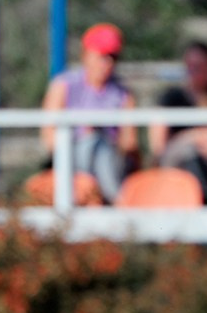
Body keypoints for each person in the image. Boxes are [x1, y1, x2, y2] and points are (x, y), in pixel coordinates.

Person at [40, 23, 137, 203]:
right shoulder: (64, 85)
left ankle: (107, 198)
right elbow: (49, 136)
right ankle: (117, 202)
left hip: (111, 160)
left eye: (112, 57)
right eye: (102, 56)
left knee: (100, 147)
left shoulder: (122, 93)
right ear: (86, 55)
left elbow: (128, 142)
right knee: (91, 144)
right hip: (71, 159)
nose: (107, 63)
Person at [151, 40, 207, 203]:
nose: (194, 71)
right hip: (174, 161)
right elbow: (159, 147)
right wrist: (194, 137)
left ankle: (201, 200)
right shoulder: (170, 98)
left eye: (200, 65)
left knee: (195, 157)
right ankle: (204, 201)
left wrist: (193, 139)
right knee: (191, 151)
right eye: (191, 65)